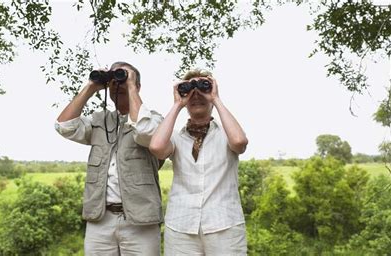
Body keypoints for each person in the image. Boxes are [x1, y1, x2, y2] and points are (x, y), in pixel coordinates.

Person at [55, 61, 163, 255]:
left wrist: (130, 85)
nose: (118, 85)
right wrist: (92, 86)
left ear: (137, 86)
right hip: (100, 218)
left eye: (123, 79)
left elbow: (146, 132)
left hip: (140, 219)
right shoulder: (99, 120)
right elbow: (64, 127)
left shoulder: (154, 119)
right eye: (114, 81)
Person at [149, 69, 249, 255]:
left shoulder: (226, 133)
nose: (197, 96)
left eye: (202, 88)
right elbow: (156, 148)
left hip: (224, 224)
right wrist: (178, 104)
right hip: (181, 225)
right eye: (190, 90)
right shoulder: (176, 138)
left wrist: (215, 99)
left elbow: (239, 142)